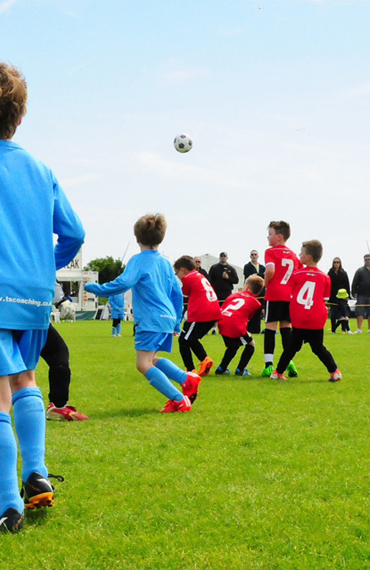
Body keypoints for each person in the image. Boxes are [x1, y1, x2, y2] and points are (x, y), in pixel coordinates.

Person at [0, 62, 85, 533]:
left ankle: (8, 503)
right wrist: (41, 269)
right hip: (32, 296)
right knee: (26, 379)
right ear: (20, 114)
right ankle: (35, 474)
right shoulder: (39, 167)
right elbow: (74, 232)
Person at [84, 214, 202, 414]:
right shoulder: (165, 263)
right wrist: (176, 323)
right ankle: (186, 378)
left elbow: (124, 283)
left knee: (143, 364)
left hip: (150, 319)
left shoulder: (138, 260)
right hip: (166, 318)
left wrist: (97, 288)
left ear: (137, 238)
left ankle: (179, 399)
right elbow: (176, 292)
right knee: (152, 359)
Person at [271, 240, 342, 383]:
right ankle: (334, 371)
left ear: (308, 257)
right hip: (316, 316)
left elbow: (292, 295)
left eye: (301, 253)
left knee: (292, 346)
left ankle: (278, 372)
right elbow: (324, 298)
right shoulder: (325, 277)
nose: (299, 255)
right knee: (318, 347)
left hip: (300, 316)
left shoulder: (296, 275)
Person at [261, 221, 302, 378]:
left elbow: (270, 269)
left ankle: (269, 365)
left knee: (270, 328)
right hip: (289, 295)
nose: (267, 237)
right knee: (286, 328)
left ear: (278, 237)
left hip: (275, 293)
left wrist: (266, 283)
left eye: (270, 234)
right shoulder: (293, 255)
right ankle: (288, 362)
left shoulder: (270, 251)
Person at [173, 256, 221, 376]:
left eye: (177, 272)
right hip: (213, 312)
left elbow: (183, 294)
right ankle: (205, 361)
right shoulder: (199, 275)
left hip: (201, 313)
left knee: (184, 340)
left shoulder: (188, 278)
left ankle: (191, 369)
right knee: (190, 339)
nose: (177, 275)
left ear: (182, 270)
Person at [215, 275, 264, 376]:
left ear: (246, 287)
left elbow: (223, 309)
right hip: (235, 325)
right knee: (251, 345)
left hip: (222, 322)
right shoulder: (256, 303)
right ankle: (240, 370)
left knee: (234, 346)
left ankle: (221, 368)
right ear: (258, 292)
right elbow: (251, 320)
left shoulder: (233, 295)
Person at [42, 324, 89, 421]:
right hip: (28, 317)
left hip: (30, 318)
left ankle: (58, 405)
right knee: (58, 353)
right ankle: (58, 405)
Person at [243, 250, 266, 334]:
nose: (254, 256)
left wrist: (257, 275)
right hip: (251, 292)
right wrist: (259, 275)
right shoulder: (247, 266)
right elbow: (249, 276)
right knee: (250, 312)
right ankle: (249, 329)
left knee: (259, 312)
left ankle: (257, 330)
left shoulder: (262, 267)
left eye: (255, 254)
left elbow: (265, 276)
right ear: (250, 256)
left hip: (260, 292)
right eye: (252, 254)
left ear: (258, 256)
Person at [327, 258, 350, 333]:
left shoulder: (343, 273)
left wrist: (348, 296)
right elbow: (327, 284)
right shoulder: (330, 273)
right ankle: (333, 330)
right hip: (333, 296)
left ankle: (344, 329)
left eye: (338, 262)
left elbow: (347, 284)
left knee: (343, 314)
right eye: (334, 262)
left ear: (340, 263)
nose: (336, 263)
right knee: (333, 315)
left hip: (342, 296)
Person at [351, 254, 370, 334]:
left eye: (369, 259)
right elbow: (354, 283)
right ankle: (359, 329)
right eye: (366, 260)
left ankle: (369, 329)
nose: (367, 261)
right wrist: (354, 292)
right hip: (361, 295)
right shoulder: (360, 271)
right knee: (360, 312)